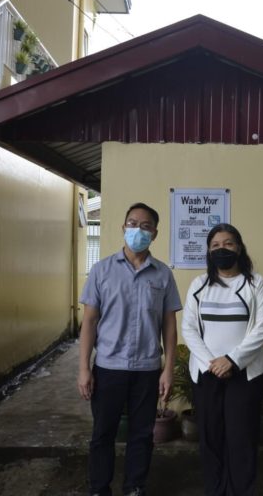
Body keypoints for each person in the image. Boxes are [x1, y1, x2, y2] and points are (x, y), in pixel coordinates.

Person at [77, 202, 182, 496]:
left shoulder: (163, 275)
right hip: (109, 367)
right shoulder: (101, 271)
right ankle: (99, 488)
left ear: (155, 233)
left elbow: (169, 328)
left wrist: (168, 370)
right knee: (103, 434)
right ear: (123, 228)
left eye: (145, 225)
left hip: (147, 370)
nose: (138, 229)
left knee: (141, 435)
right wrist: (84, 368)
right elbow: (89, 322)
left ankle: (134, 486)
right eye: (132, 223)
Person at [181, 223, 263, 496]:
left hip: (245, 375)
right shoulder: (199, 285)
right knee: (210, 437)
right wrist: (213, 362)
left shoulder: (256, 283)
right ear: (209, 252)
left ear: (239, 247)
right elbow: (189, 329)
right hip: (207, 373)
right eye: (215, 245)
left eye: (228, 243)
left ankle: (241, 490)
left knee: (241, 438)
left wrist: (231, 360)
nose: (222, 249)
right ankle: (215, 489)